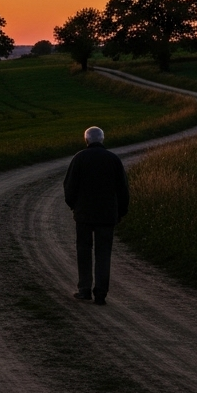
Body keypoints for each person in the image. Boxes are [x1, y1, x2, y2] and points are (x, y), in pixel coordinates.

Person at [62, 126, 128, 305]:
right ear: (102, 140)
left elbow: (69, 186)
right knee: (103, 254)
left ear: (86, 140)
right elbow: (123, 190)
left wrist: (74, 206)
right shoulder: (113, 159)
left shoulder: (79, 158)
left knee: (83, 251)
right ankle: (101, 293)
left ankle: (84, 290)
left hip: (84, 215)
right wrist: (120, 212)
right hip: (107, 216)